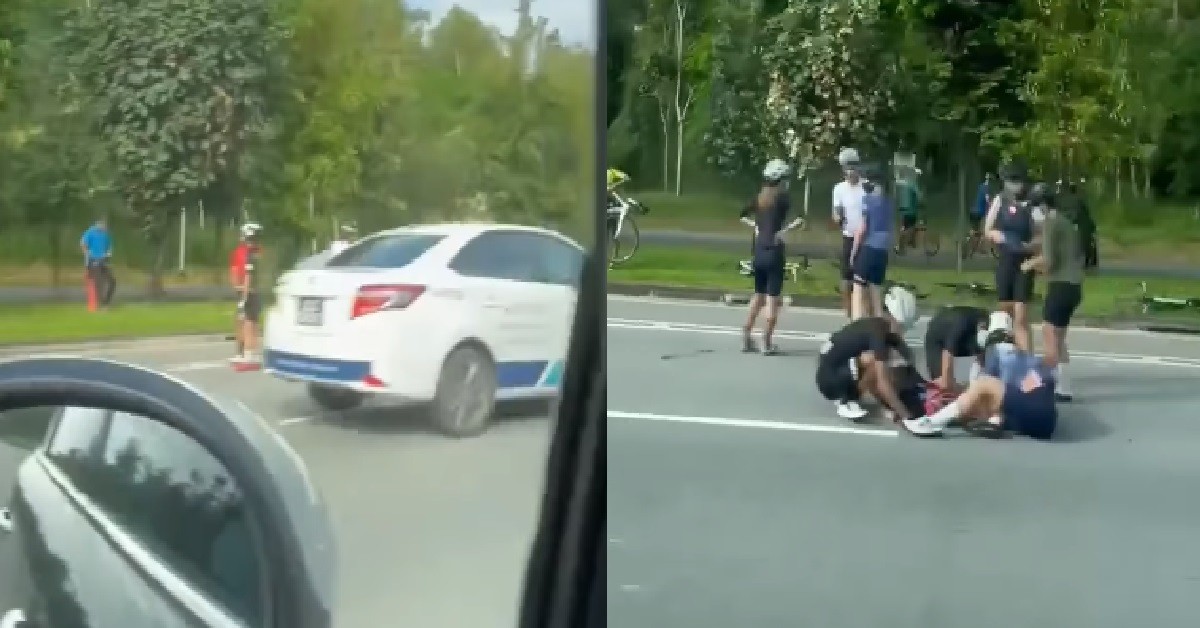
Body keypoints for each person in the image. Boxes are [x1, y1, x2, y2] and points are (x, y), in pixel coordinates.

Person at [901, 312, 1058, 440]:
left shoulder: (995, 353)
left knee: (984, 387)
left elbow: (978, 388)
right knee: (996, 396)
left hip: (1026, 406)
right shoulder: (1027, 357)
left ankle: (930, 423)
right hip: (1047, 420)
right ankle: (995, 421)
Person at [815, 286, 920, 420]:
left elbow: (908, 358)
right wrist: (906, 416)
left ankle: (867, 397)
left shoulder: (882, 326)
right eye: (903, 326)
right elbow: (882, 382)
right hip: (830, 380)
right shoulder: (878, 334)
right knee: (877, 362)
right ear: (893, 318)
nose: (904, 331)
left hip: (833, 367)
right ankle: (846, 400)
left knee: (886, 360)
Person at [1021, 183, 1085, 401]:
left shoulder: (1051, 223)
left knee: (1049, 340)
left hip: (1060, 287)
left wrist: (1028, 265)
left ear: (1042, 206)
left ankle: (1030, 387)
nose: (1034, 213)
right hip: (1074, 287)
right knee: (1058, 340)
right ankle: (1064, 388)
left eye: (1035, 208)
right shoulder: (1065, 222)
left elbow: (1048, 261)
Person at [738, 158, 804, 355]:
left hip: (758, 250)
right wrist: (784, 231)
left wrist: (756, 227)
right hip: (775, 252)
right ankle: (766, 342)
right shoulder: (783, 198)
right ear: (779, 179)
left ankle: (746, 335)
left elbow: (742, 215)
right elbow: (800, 218)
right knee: (773, 299)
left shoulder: (759, 197)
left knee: (758, 295)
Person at [983, 159, 1037, 351]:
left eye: (1016, 180)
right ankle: (1006, 355)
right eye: (1010, 181)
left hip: (1025, 262)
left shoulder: (1033, 203)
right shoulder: (1000, 199)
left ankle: (1026, 360)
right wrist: (1000, 236)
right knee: (1005, 313)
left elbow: (1041, 236)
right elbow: (988, 229)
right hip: (1006, 260)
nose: (1013, 185)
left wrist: (1026, 245)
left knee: (1021, 315)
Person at [848, 171, 893, 320]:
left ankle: (856, 325)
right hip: (883, 251)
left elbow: (862, 229)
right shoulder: (888, 203)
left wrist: (854, 252)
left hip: (869, 248)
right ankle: (880, 327)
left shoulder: (867, 200)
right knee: (876, 292)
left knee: (858, 288)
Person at [831, 147, 867, 318]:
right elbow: (836, 211)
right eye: (846, 168)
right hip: (848, 237)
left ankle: (863, 315)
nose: (850, 171)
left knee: (863, 280)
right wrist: (837, 217)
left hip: (866, 239)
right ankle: (849, 315)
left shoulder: (866, 187)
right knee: (846, 278)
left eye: (853, 167)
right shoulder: (839, 189)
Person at [923, 305, 990, 391]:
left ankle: (969, 387)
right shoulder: (961, 325)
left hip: (966, 330)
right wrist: (947, 382)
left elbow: (982, 356)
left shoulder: (982, 323)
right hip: (937, 338)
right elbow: (948, 353)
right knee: (942, 381)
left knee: (981, 352)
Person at [229, 222, 265, 366]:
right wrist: (240, 289)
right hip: (246, 291)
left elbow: (244, 274)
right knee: (247, 322)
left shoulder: (251, 252)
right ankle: (246, 352)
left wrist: (241, 292)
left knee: (246, 322)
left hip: (247, 291)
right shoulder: (248, 252)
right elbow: (237, 271)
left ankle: (246, 352)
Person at [80, 218, 116, 307]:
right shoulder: (90, 232)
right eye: (103, 225)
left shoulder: (105, 234)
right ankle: (101, 304)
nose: (104, 227)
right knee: (99, 282)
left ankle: (106, 302)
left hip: (103, 260)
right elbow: (83, 244)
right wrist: (88, 254)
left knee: (112, 281)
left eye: (105, 226)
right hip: (93, 261)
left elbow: (109, 246)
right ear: (97, 224)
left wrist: (109, 252)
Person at [895, 167, 922, 250]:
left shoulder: (905, 184)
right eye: (918, 175)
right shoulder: (913, 184)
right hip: (911, 210)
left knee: (905, 226)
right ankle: (906, 243)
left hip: (904, 209)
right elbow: (919, 195)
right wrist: (922, 202)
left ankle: (904, 243)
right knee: (912, 225)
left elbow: (900, 196)